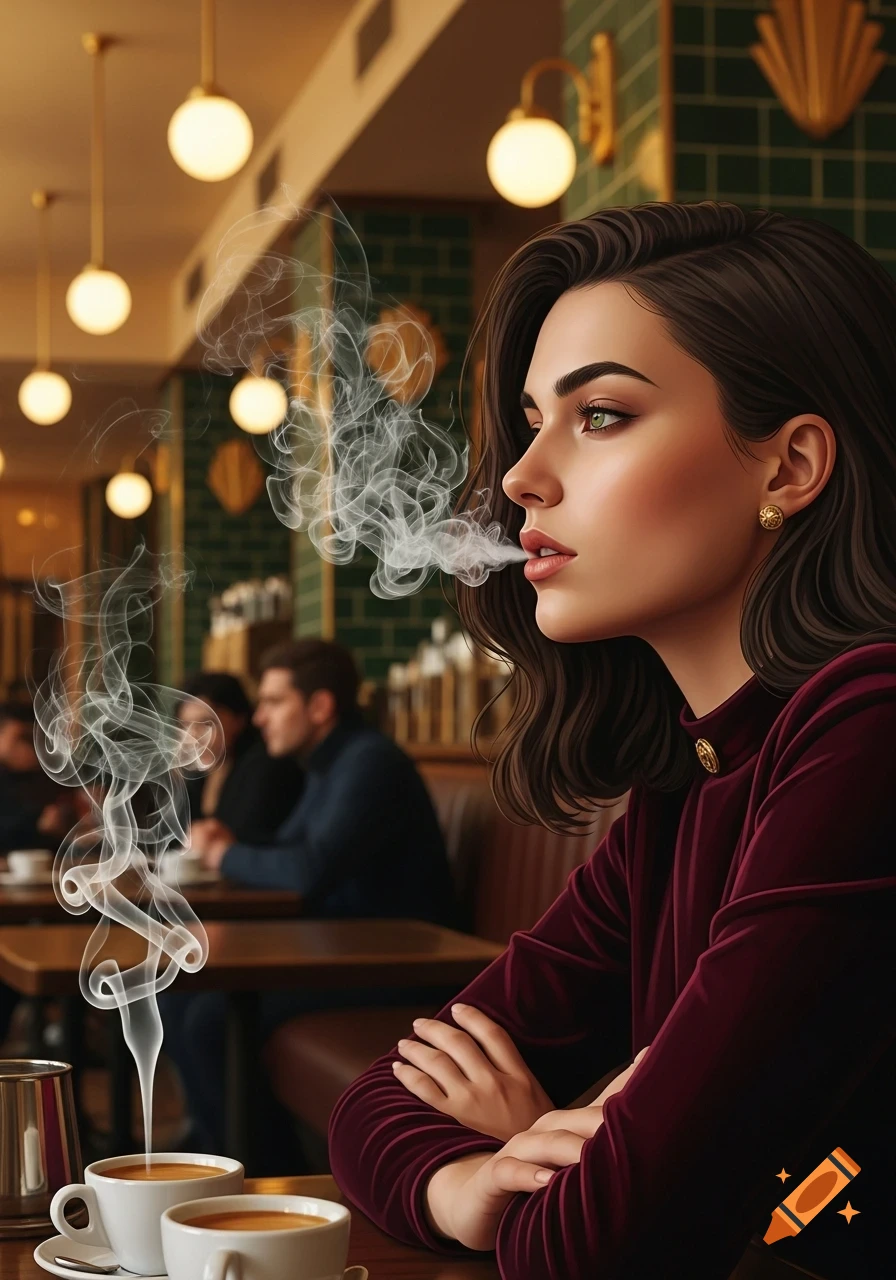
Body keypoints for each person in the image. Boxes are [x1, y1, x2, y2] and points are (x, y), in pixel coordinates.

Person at [328, 203, 896, 1280]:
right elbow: (377, 1100)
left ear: (788, 467)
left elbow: (598, 1248)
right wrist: (466, 1183)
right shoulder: (688, 778)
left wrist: (536, 1154)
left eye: (599, 415)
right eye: (532, 416)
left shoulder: (868, 728)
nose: (519, 476)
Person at [162, 639, 457, 1168]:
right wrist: (233, 844)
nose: (260, 716)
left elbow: (305, 873)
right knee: (179, 995)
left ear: (319, 706)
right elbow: (292, 852)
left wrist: (226, 852)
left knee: (209, 1016)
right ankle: (217, 1153)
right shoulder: (329, 763)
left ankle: (266, 1175)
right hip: (341, 947)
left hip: (400, 961)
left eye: (274, 702)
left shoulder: (370, 762)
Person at [176, 671, 304, 844]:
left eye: (206, 723)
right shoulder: (197, 774)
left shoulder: (266, 766)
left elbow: (249, 836)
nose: (193, 737)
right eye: (185, 725)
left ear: (239, 719)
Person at [0, 702, 72, 852]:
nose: (33, 747)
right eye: (23, 738)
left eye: (37, 739)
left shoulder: (49, 779)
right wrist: (36, 824)